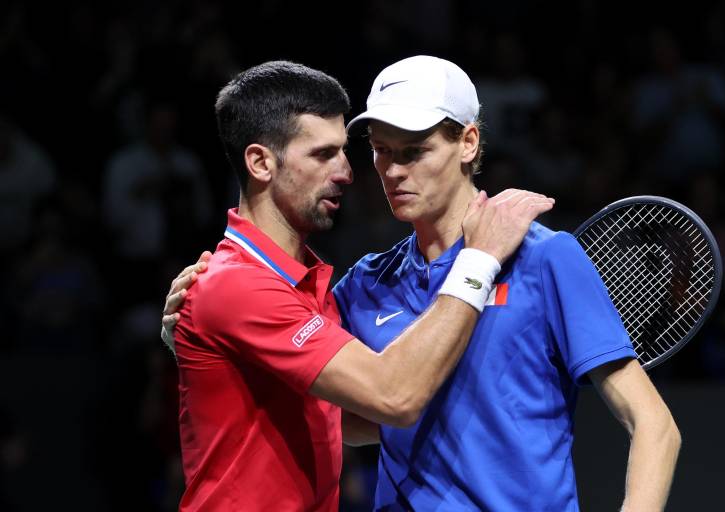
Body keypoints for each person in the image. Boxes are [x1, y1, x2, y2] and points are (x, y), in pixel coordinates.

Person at [164, 56, 680, 511]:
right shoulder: (363, 284)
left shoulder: (545, 258)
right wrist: (202, 336)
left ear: (468, 142)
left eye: (414, 151)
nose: (391, 171)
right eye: (382, 150)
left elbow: (654, 427)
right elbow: (346, 412)